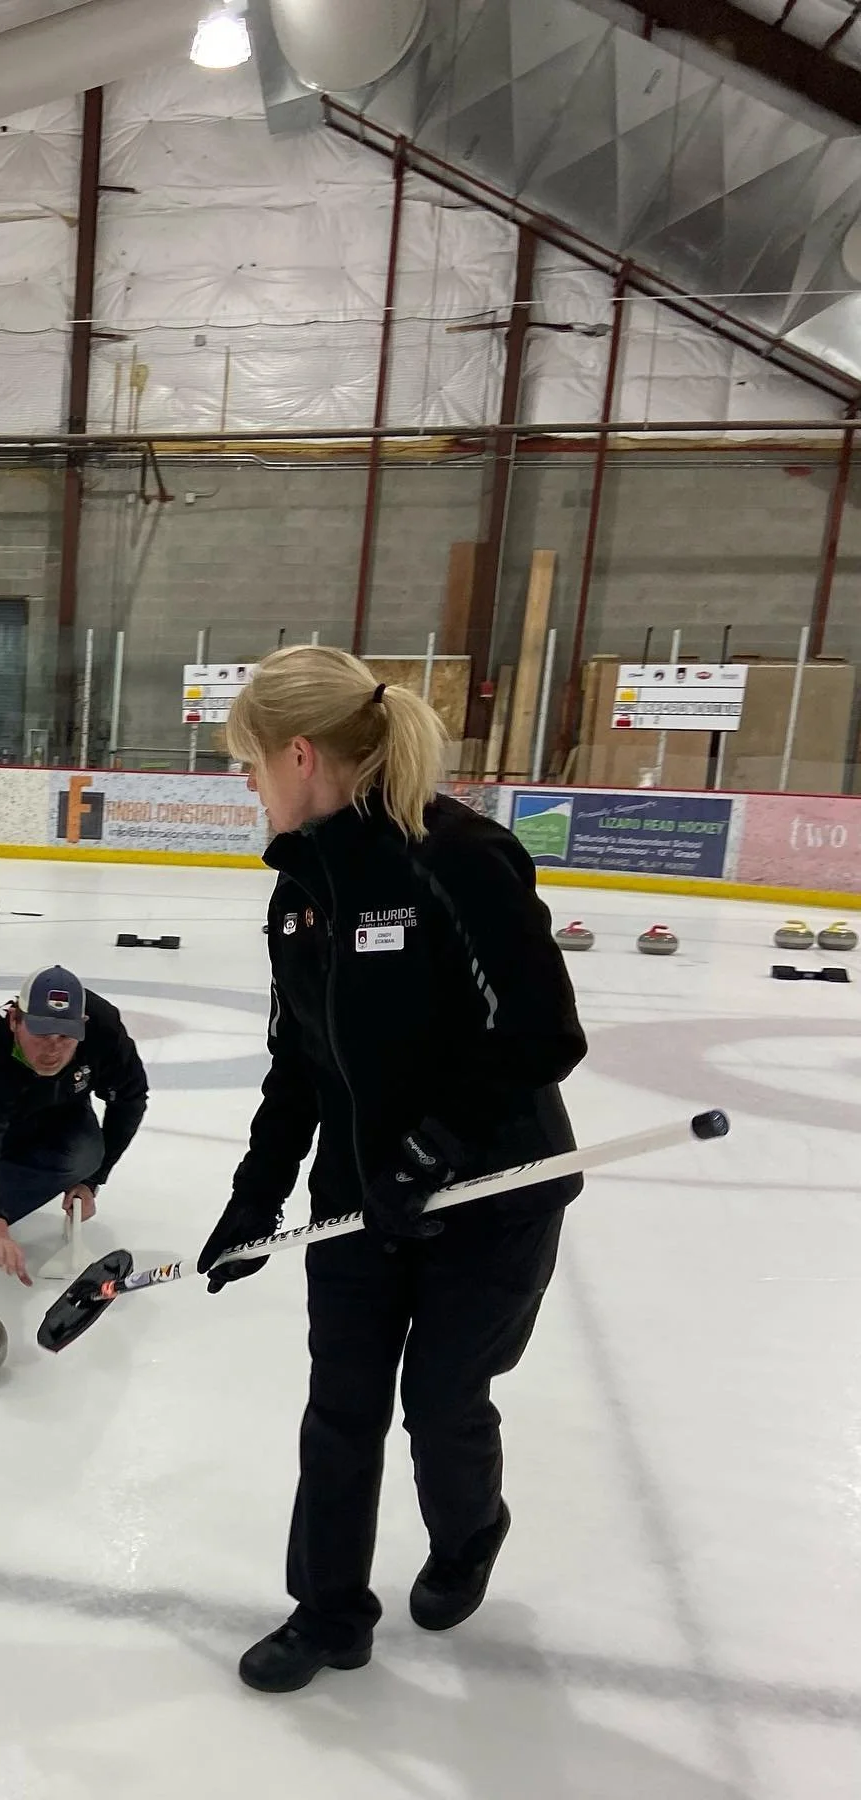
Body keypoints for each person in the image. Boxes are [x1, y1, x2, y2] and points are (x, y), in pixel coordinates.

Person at [196, 645, 587, 1694]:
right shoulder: (299, 892)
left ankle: (470, 1533)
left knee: (443, 1401)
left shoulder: (456, 858)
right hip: (360, 1200)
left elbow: (543, 1034)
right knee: (341, 1408)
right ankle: (328, 1613)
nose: (247, 785)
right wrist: (254, 1198)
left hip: (491, 1193)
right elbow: (298, 1063)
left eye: (249, 763)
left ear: (299, 755)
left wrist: (433, 1149)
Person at [0, 965, 148, 1285]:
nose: (53, 1048)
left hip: (63, 1100)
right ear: (15, 1019)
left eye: (65, 1036)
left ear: (83, 1025)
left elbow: (130, 1098)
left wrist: (91, 1180)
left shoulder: (104, 1029)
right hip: (2, 1106)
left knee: (85, 1156)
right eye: (41, 1033)